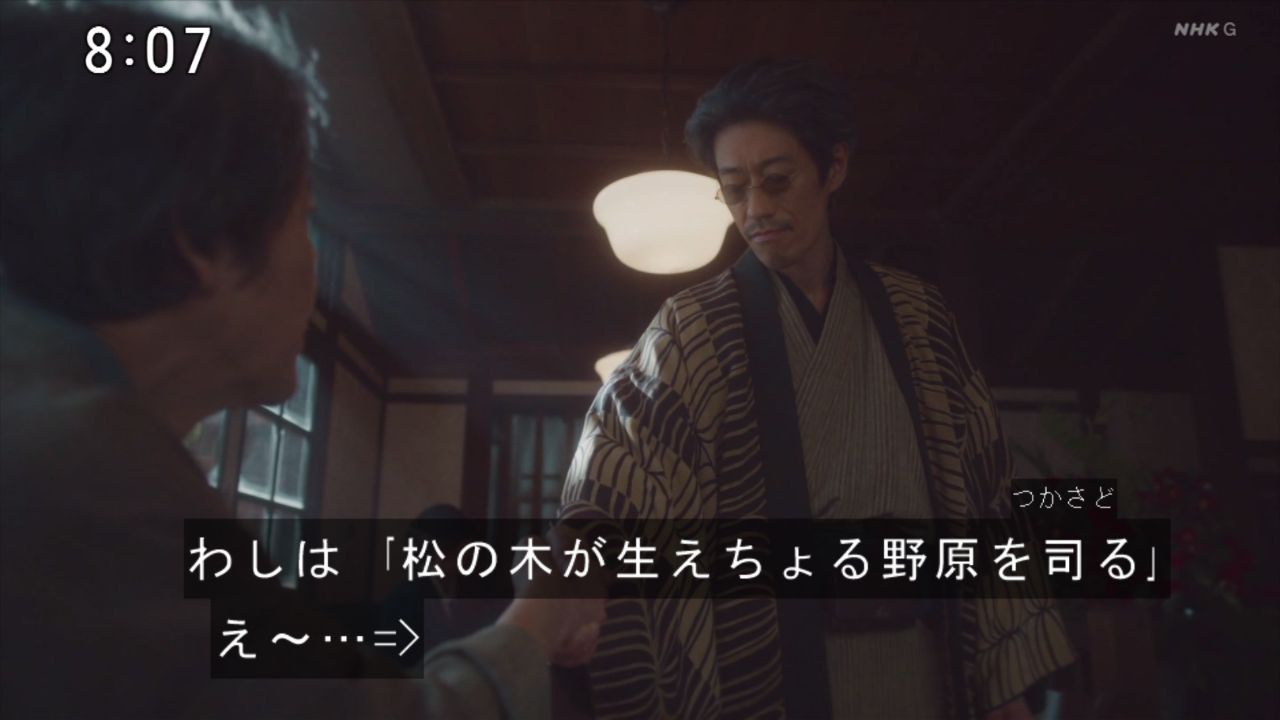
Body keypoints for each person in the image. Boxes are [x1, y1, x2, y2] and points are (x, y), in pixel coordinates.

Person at [0, 3, 602, 718]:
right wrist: (544, 608)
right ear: (201, 240)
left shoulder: (69, 429)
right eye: (304, 221)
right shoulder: (86, 471)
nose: (314, 271)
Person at [560, 58, 1075, 719]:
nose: (756, 209)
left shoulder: (917, 315)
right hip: (770, 673)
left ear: (834, 167)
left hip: (925, 663)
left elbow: (985, 494)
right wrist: (563, 589)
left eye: (778, 180)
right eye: (734, 190)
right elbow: (617, 477)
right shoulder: (691, 328)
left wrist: (1004, 689)